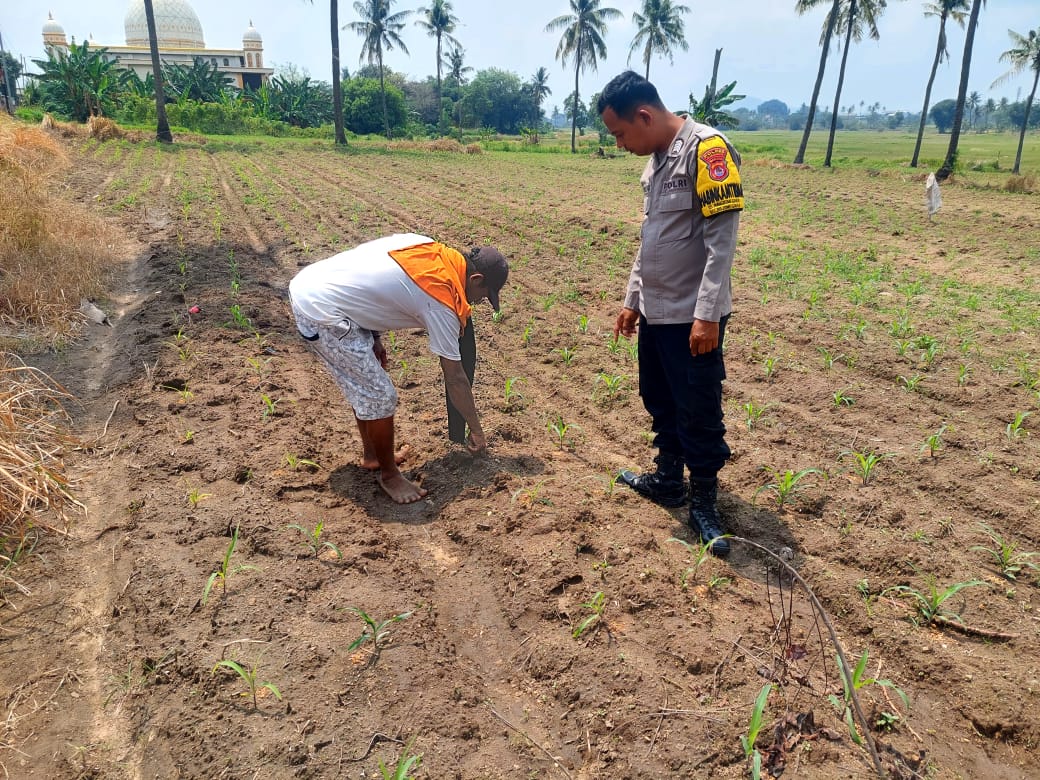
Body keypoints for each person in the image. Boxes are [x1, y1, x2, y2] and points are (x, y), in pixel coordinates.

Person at [597, 71, 744, 557]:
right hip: (656, 311)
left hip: (692, 316)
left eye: (620, 133)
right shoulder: (657, 162)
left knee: (697, 408)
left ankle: (704, 502)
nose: (619, 144)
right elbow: (651, 239)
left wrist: (707, 315)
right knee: (658, 396)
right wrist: (632, 299)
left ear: (644, 116)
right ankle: (667, 479)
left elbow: (721, 244)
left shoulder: (708, 151)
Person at [288, 233, 508, 504]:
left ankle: (373, 457)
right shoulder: (440, 298)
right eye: (484, 296)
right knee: (380, 396)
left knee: (367, 385)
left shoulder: (425, 246)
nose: (478, 303)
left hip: (317, 284)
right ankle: (390, 476)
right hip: (321, 310)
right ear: (475, 279)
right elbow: (455, 377)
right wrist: (477, 431)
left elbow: (372, 275)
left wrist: (374, 336)